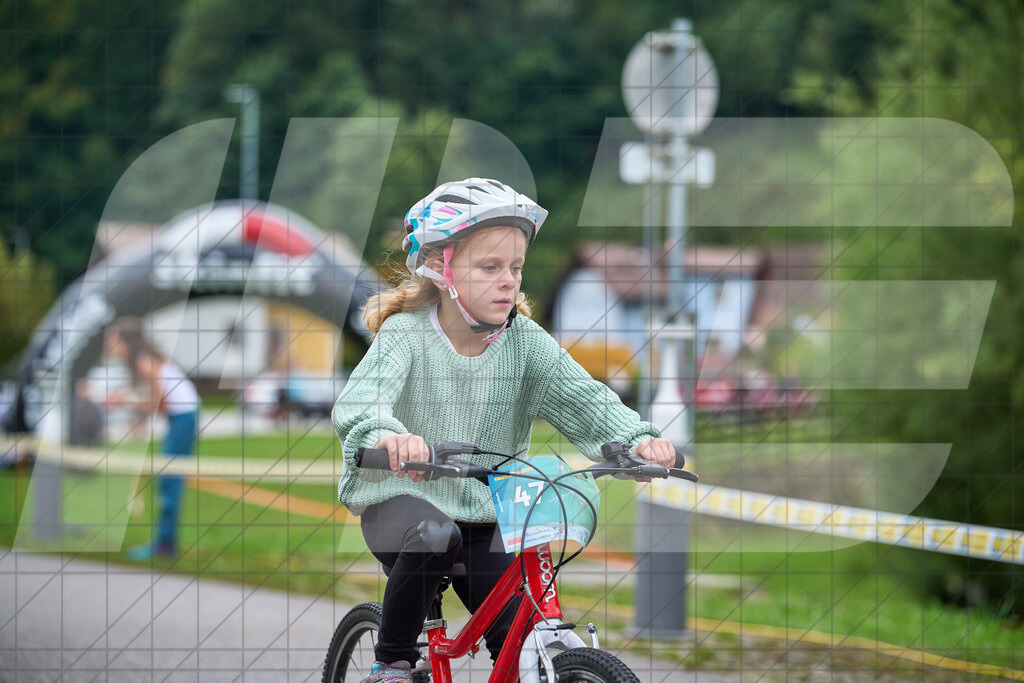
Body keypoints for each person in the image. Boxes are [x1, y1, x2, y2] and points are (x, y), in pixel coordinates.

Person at [331, 178, 676, 682]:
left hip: (485, 511)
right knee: (434, 536)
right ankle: (392, 663)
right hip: (398, 497)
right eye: (490, 267)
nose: (509, 280)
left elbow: (584, 399)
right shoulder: (406, 335)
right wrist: (389, 435)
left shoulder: (525, 343)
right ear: (441, 269)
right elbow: (364, 401)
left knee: (523, 642)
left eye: (515, 267)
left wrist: (636, 439)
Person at [102, 318, 201, 560]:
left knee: (169, 481)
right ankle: (165, 543)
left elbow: (158, 404)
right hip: (180, 417)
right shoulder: (143, 361)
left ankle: (165, 545)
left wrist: (123, 401)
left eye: (112, 340)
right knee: (168, 479)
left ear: (126, 342)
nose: (108, 346)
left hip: (184, 418)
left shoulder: (145, 362)